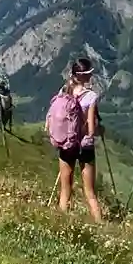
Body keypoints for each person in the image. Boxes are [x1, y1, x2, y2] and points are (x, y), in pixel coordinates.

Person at [46, 57, 104, 221]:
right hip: (85, 146)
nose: (92, 76)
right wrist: (100, 130)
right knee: (90, 193)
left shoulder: (63, 92)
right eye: (90, 73)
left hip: (66, 144)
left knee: (65, 190)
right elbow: (92, 130)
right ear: (84, 76)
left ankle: (61, 222)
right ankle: (100, 225)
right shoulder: (91, 96)